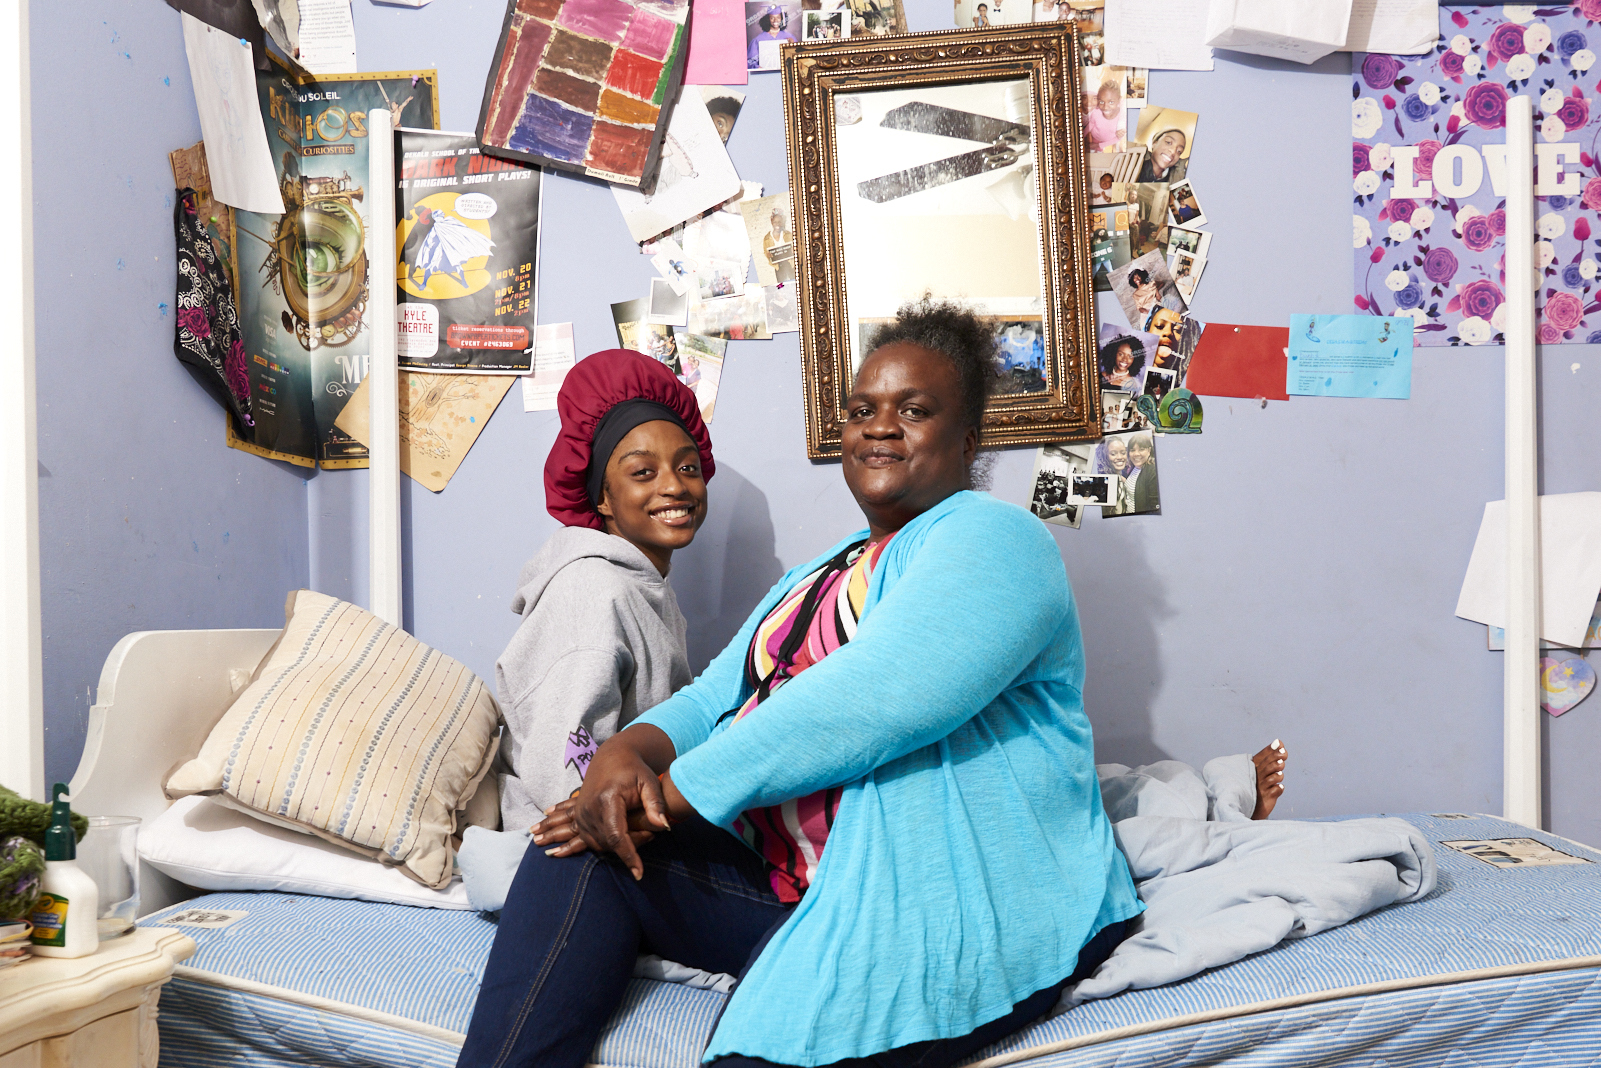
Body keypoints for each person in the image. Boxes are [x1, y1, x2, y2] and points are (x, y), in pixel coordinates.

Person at [458, 300, 1143, 1068]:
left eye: (913, 410)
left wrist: (663, 795)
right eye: (861, 410)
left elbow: (876, 697)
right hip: (795, 879)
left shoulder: (996, 538)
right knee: (580, 852)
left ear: (967, 440)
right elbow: (713, 696)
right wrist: (624, 757)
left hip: (918, 887)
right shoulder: (819, 573)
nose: (880, 427)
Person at [493, 349, 715, 831]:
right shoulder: (592, 589)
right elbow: (563, 761)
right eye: (643, 472)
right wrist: (599, 818)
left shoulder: (649, 589)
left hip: (629, 819)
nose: (674, 486)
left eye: (688, 467)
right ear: (601, 497)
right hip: (574, 839)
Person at [1083, 77, 1123, 152]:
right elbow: (1091, 124)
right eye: (1101, 102)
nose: (1105, 107)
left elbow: (1118, 138)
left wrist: (1098, 145)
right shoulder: (1096, 112)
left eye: (1111, 102)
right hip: (1094, 137)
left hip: (1106, 142)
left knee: (1099, 154)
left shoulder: (1121, 119)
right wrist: (1082, 137)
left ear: (1119, 100)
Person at [1123, 433, 1158, 515]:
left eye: (1141, 449)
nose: (1136, 454)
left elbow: (1154, 507)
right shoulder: (1134, 467)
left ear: (1149, 451)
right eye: (1132, 450)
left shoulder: (1153, 471)